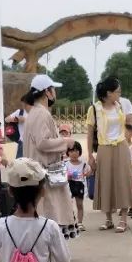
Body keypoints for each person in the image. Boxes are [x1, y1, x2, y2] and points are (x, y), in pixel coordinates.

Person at [22, 74, 79, 239]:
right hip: (46, 171)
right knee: (52, 211)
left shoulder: (34, 112)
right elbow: (43, 142)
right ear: (47, 92)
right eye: (53, 89)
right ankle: (52, 249)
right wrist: (65, 142)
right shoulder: (42, 114)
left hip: (38, 170)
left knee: (47, 210)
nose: (55, 93)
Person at [86, 76, 132, 233]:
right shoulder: (95, 109)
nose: (119, 93)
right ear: (108, 93)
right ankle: (108, 219)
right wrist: (89, 155)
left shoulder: (120, 105)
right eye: (117, 91)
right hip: (104, 148)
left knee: (123, 180)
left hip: (121, 146)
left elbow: (128, 124)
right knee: (106, 182)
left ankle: (123, 218)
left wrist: (128, 139)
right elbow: (89, 134)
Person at [63, 141, 88, 229]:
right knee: (68, 204)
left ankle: (80, 223)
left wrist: (87, 173)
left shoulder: (83, 164)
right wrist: (68, 176)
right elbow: (64, 176)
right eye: (72, 151)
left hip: (79, 185)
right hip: (69, 185)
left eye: (77, 151)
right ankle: (70, 221)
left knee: (79, 204)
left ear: (80, 152)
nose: (74, 153)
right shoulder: (65, 164)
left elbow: (87, 173)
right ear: (68, 152)